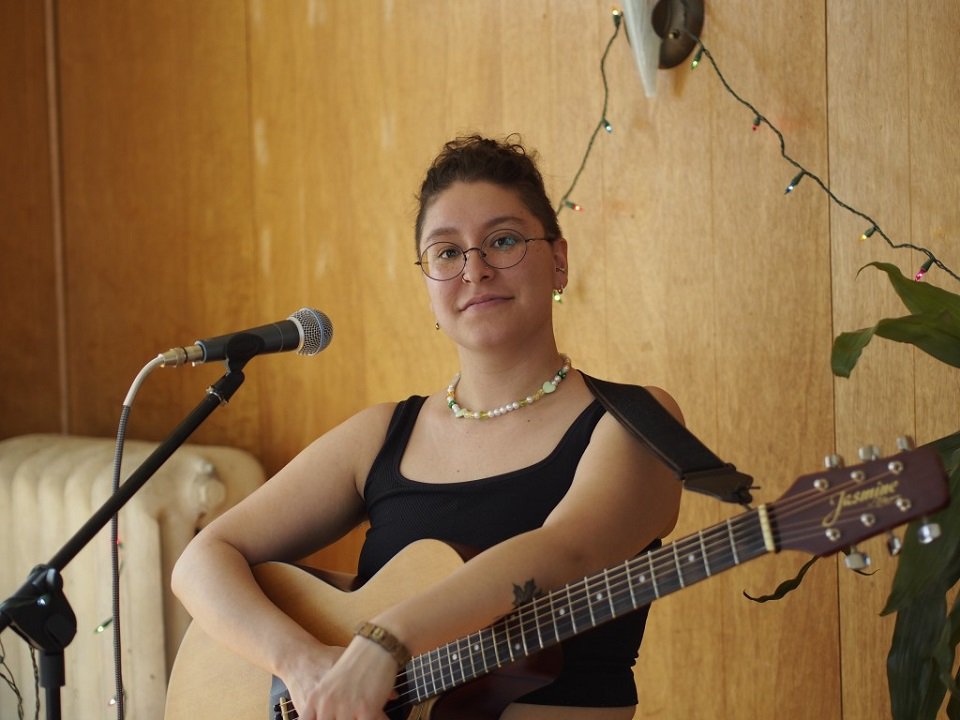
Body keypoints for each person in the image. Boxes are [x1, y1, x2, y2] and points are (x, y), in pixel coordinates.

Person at [171, 135, 683, 720]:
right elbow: (201, 561)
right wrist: (303, 664)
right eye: (446, 252)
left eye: (504, 240)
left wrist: (385, 642)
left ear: (559, 260)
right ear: (429, 284)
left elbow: (565, 551)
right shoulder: (382, 434)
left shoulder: (637, 421)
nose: (476, 269)